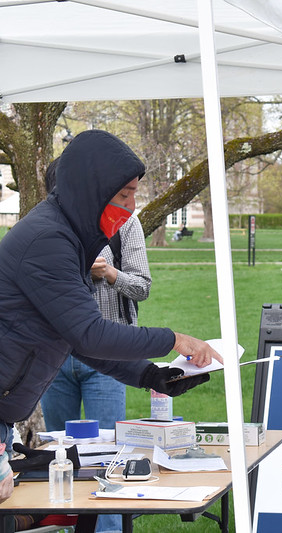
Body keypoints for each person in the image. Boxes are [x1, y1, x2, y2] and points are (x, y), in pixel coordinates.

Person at [0, 130, 222, 504]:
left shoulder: (65, 236)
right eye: (123, 194)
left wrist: (149, 374)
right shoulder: (47, 241)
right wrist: (174, 339)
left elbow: (73, 337)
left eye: (135, 193)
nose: (132, 205)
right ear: (91, 190)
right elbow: (89, 333)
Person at [40, 158, 151, 533]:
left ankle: (105, 529)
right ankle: (66, 525)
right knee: (60, 457)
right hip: (55, 359)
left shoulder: (127, 224)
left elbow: (142, 287)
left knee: (108, 458)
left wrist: (109, 272)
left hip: (108, 357)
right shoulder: (49, 231)